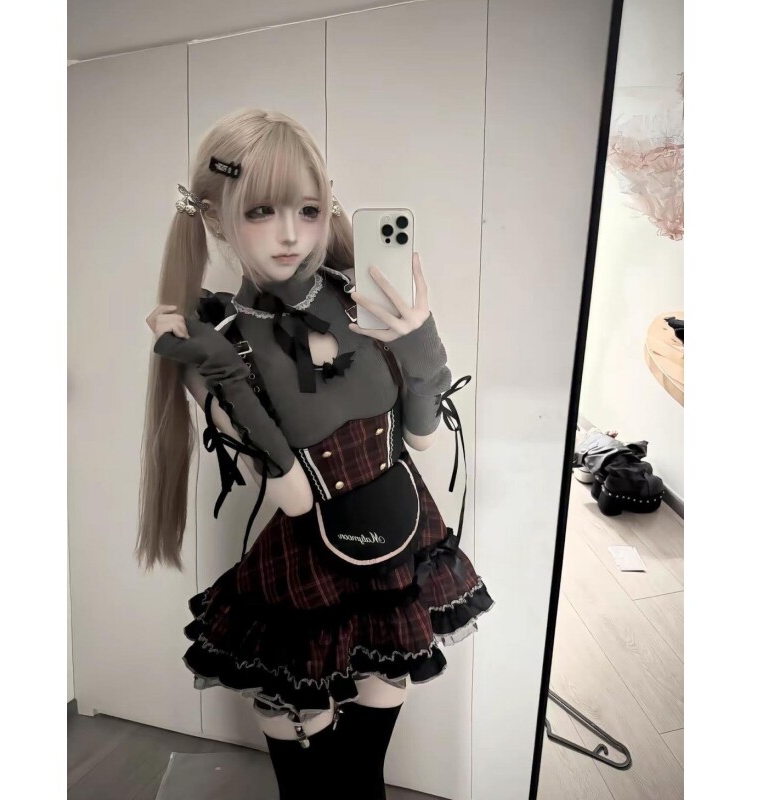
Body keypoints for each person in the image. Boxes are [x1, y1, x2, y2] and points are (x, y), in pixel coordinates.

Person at [137, 107, 495, 800]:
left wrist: (419, 335)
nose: (291, 234)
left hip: (400, 540)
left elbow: (422, 435)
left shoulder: (360, 295)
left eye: (308, 208)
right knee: (308, 772)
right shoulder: (220, 339)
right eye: (261, 210)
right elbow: (293, 493)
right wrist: (217, 372)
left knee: (366, 768)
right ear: (213, 219)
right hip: (307, 564)